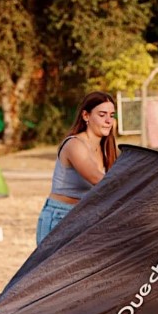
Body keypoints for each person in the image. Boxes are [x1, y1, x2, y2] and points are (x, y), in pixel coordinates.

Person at [36, 92, 117, 245]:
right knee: (55, 270)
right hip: (60, 217)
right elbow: (97, 179)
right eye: (102, 115)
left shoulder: (107, 150)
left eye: (112, 115)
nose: (108, 121)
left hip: (85, 217)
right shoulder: (74, 145)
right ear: (86, 116)